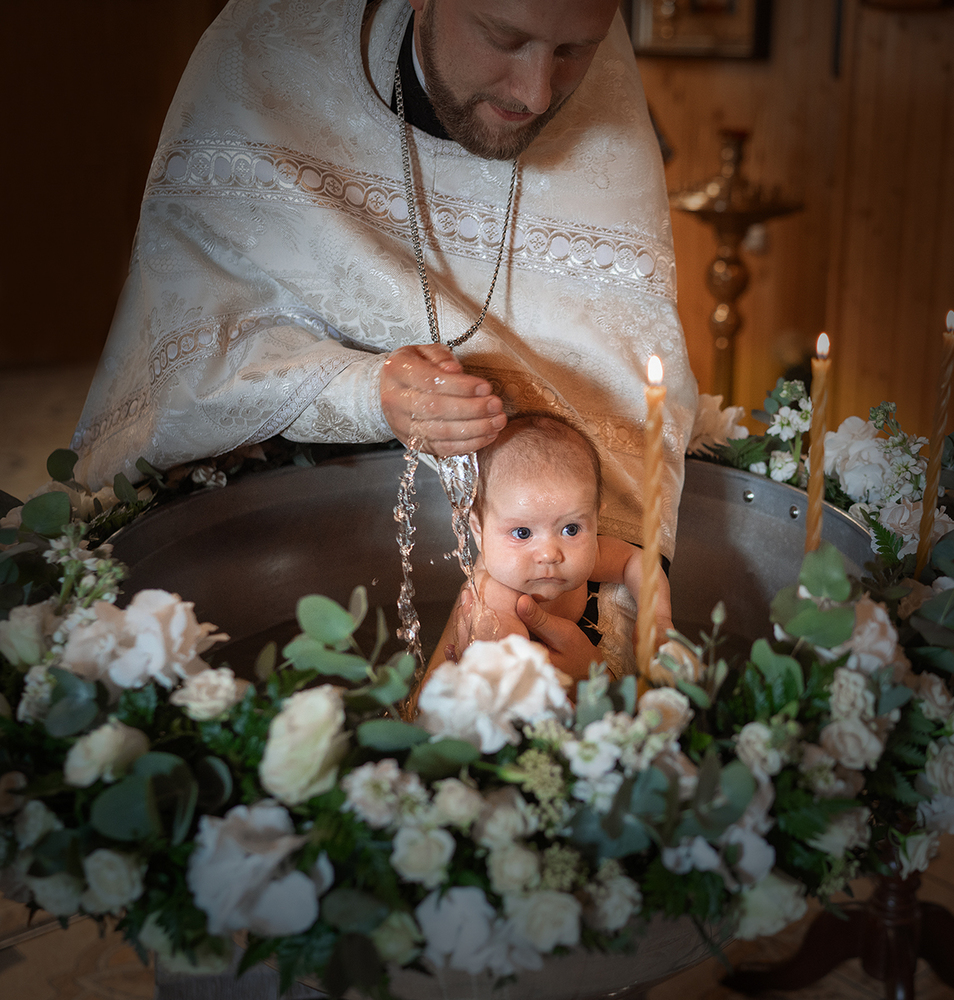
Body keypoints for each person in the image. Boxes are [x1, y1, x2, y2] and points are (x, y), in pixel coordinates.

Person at [71, 0, 698, 679]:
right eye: (503, 37)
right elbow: (189, 353)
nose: (536, 92)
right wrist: (367, 389)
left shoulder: (606, 91)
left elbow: (621, 390)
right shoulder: (267, 51)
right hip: (283, 529)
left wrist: (609, 654)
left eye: (575, 50)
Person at [428, 413, 673, 676]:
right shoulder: (493, 597)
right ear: (478, 531)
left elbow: (636, 561)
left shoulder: (583, 556)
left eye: (570, 529)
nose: (549, 554)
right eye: (522, 533)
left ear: (595, 519)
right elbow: (522, 684)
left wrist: (657, 618)